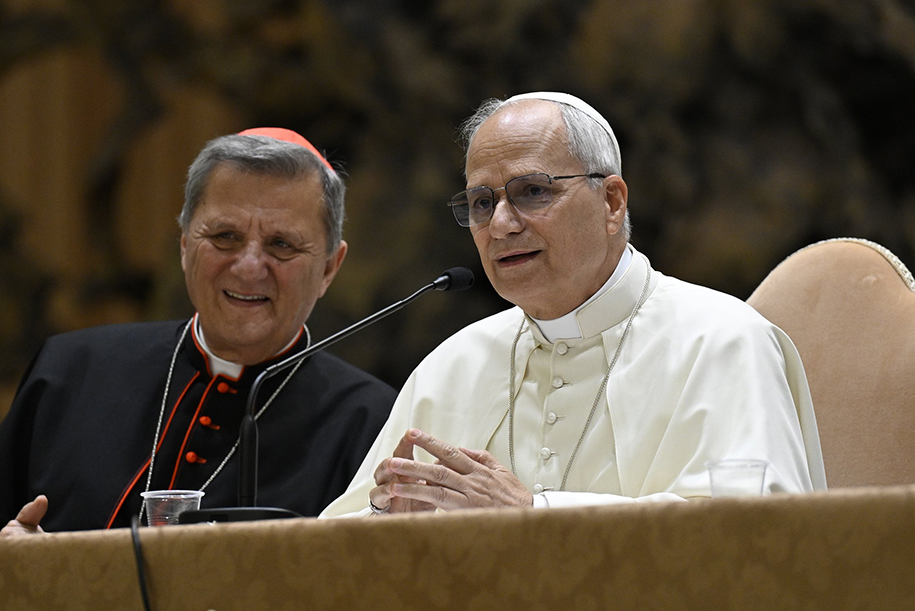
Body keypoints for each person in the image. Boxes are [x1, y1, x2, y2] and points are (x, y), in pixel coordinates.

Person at [321, 92, 825, 517]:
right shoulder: (452, 366)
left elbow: (757, 537)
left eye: (532, 191)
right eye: (481, 202)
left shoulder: (722, 340)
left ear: (611, 203)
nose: (501, 224)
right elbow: (342, 540)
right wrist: (386, 522)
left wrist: (537, 516)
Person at [0, 128, 397, 538]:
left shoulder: (373, 422)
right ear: (185, 247)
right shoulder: (70, 371)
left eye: (282, 244)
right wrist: (14, 564)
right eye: (224, 237)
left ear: (330, 267)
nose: (250, 266)